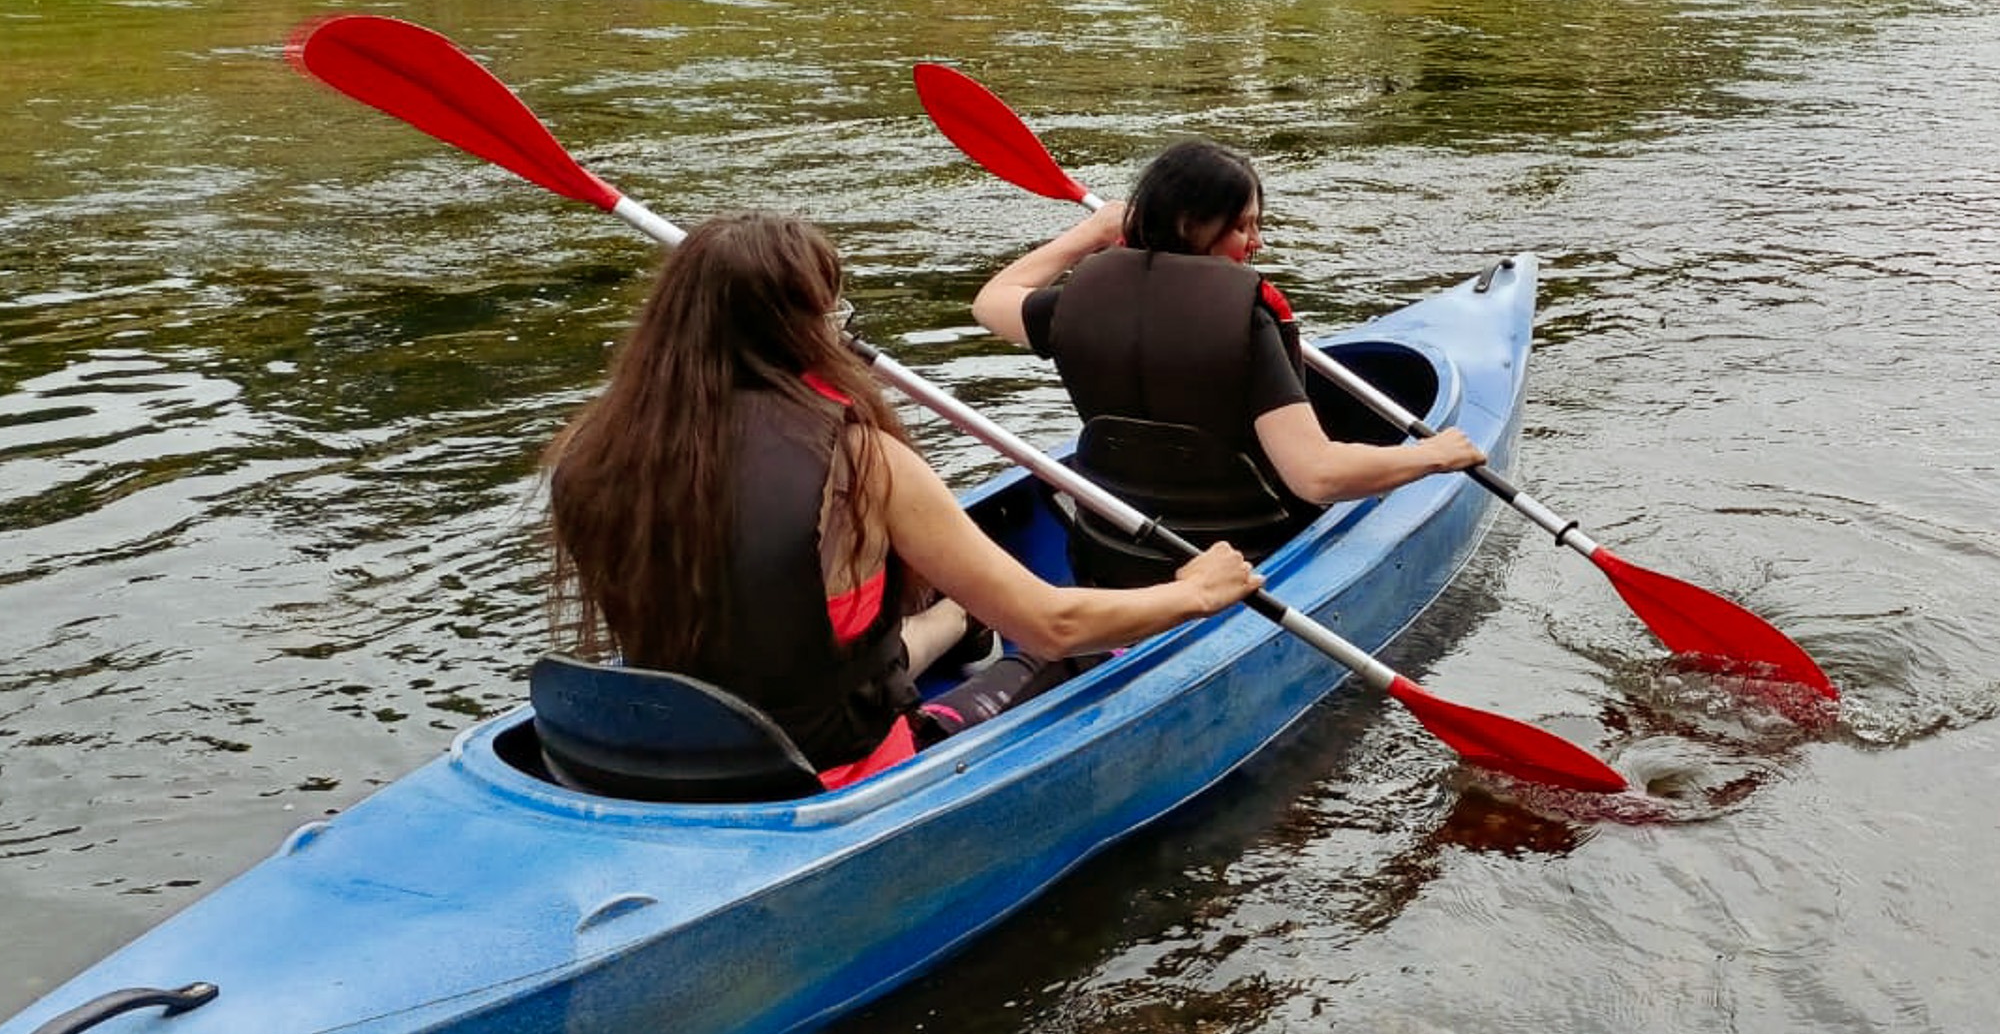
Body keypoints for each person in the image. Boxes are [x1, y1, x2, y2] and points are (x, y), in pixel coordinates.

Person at [545, 211, 1259, 790]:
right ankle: (968, 634)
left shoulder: (593, 453)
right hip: (822, 777)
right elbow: (1053, 626)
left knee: (876, 627)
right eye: (832, 310)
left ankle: (962, 622)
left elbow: (772, 642)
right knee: (1075, 658)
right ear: (802, 326)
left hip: (658, 757)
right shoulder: (859, 459)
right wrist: (1197, 591)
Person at [971, 139, 1485, 568]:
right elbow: (1316, 475)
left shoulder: (1081, 300)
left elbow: (991, 302)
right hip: (1237, 559)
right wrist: (1431, 455)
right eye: (1242, 226)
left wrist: (1091, 233)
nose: (1256, 242)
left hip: (1110, 551)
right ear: (1189, 225)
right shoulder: (1244, 322)